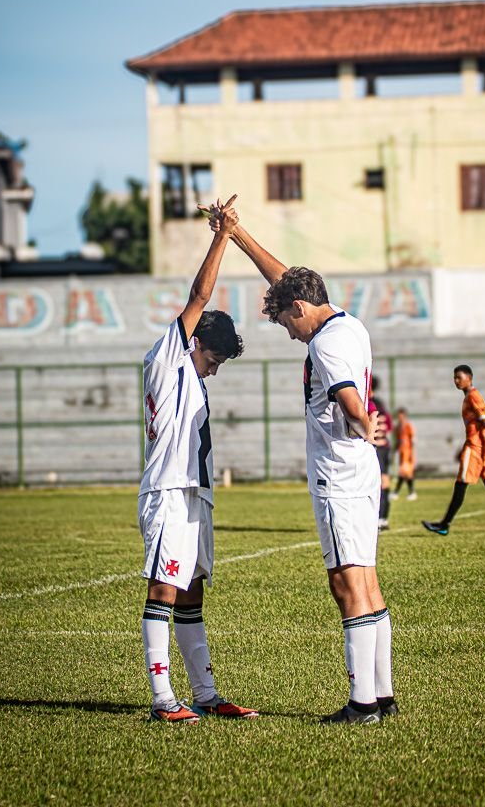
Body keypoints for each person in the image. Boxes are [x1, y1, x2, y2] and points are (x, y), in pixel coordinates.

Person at [207, 204, 396, 725]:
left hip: (338, 477)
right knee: (369, 584)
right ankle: (382, 695)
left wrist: (365, 422)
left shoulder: (328, 346)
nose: (287, 332)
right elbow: (282, 278)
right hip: (358, 472)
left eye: (283, 320)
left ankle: (362, 705)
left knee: (346, 585)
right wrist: (237, 234)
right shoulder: (345, 323)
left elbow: (350, 399)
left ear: (298, 308)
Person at [139, 194, 258, 723]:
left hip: (195, 494)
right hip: (168, 490)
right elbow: (200, 293)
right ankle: (164, 699)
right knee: (165, 585)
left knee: (191, 592)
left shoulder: (194, 377)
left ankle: (205, 694)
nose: (216, 367)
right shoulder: (169, 359)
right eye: (214, 357)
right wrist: (223, 236)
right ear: (193, 343)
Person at [422, 364, 485, 537]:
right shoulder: (470, 396)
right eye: (454, 377)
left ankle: (444, 525)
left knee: (461, 484)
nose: (456, 381)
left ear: (470, 378)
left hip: (476, 447)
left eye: (459, 377)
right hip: (483, 446)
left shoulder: (473, 396)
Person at [369, 376, 393, 530]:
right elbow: (389, 426)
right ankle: (383, 518)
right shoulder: (382, 405)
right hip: (385, 448)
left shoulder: (369, 404)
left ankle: (377, 518)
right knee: (384, 482)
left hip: (375, 448)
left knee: (375, 484)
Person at [392, 407, 417, 500]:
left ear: (405, 416)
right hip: (401, 453)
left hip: (408, 453)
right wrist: (394, 451)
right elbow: (398, 441)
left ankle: (396, 493)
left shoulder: (408, 426)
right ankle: (411, 493)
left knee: (403, 472)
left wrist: (411, 454)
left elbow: (413, 440)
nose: (400, 418)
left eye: (401, 416)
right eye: (398, 417)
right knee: (406, 474)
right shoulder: (397, 427)